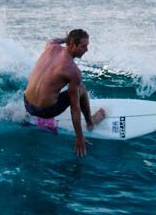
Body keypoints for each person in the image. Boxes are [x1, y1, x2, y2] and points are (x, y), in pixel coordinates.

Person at [24, 29, 106, 157]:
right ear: (72, 44)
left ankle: (33, 112)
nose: (87, 50)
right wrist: (79, 136)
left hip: (27, 104)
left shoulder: (50, 47)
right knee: (81, 89)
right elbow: (75, 107)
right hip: (44, 112)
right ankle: (90, 122)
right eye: (83, 46)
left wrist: (65, 40)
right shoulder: (73, 71)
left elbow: (53, 40)